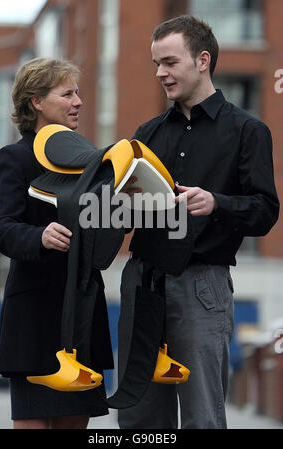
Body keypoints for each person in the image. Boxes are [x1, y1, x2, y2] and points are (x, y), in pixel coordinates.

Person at [118, 15, 279, 429]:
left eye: (169, 62)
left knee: (202, 417)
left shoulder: (249, 131)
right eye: (156, 63)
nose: (160, 73)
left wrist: (217, 203)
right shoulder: (147, 134)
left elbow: (265, 210)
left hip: (201, 286)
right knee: (138, 420)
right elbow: (123, 210)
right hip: (142, 282)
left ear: (203, 59)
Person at [0, 57, 114, 429]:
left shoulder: (92, 161)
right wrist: (38, 236)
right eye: (67, 94)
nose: (78, 102)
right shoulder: (15, 157)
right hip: (34, 320)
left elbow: (103, 230)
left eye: (78, 93)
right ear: (36, 102)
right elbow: (0, 226)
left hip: (82, 315)